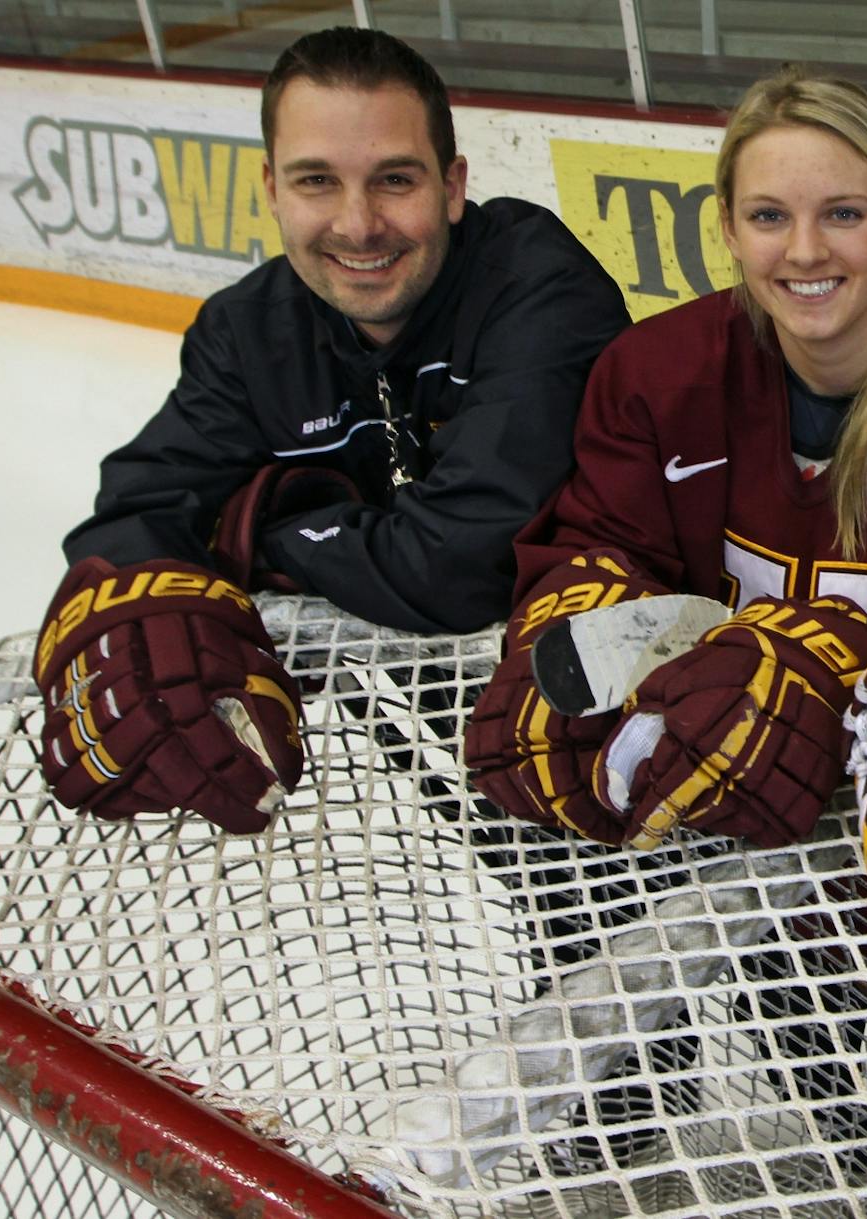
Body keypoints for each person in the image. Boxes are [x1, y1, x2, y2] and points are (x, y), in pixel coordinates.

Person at [464, 68, 867, 851]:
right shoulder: (657, 375)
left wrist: (812, 673)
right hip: (685, 816)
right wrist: (581, 624)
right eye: (769, 215)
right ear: (729, 229)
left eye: (842, 214)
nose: (805, 251)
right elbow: (598, 544)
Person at [33, 27, 629, 833]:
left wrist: (267, 536)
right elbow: (134, 519)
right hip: (457, 734)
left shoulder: (538, 289)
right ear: (273, 189)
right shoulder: (247, 333)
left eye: (394, 180)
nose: (358, 224)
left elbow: (462, 565)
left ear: (453, 186)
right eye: (319, 181)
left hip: (608, 714)